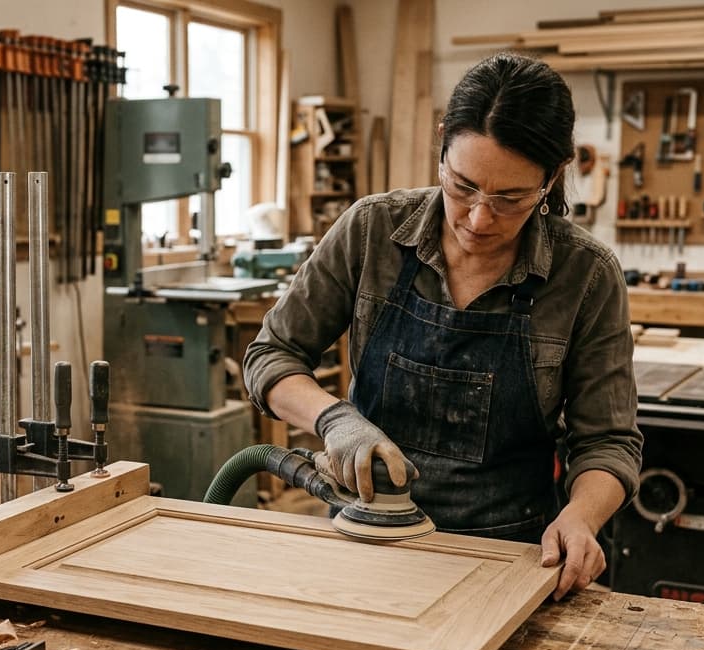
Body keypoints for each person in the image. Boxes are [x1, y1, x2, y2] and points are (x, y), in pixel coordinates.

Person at [243, 52, 642, 600]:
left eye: (510, 198)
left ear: (552, 176)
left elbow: (609, 441)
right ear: (441, 145)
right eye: (463, 185)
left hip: (509, 556)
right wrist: (335, 420)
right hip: (366, 538)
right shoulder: (371, 231)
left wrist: (581, 516)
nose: (479, 218)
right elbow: (271, 355)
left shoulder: (586, 275)